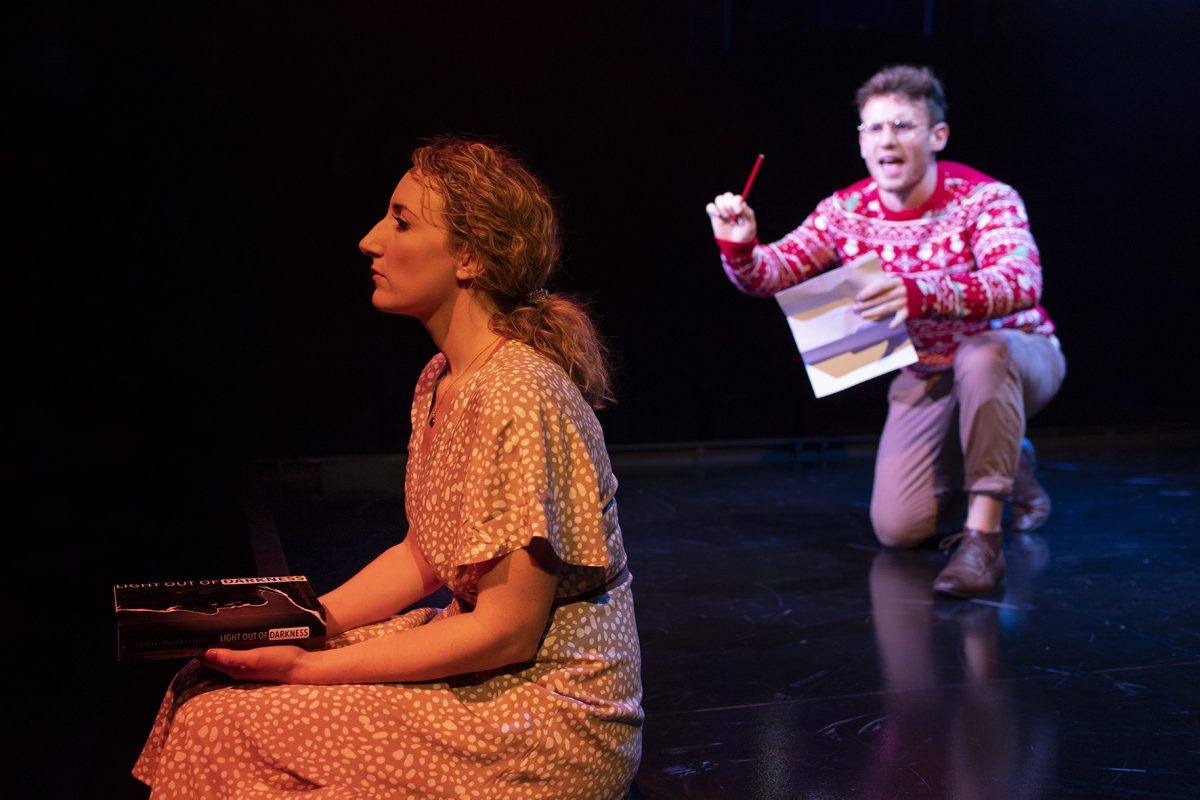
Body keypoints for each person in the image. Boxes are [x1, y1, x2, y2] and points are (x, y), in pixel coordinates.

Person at [134, 138, 643, 799]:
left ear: (468, 256)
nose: (370, 241)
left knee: (221, 723)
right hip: (491, 678)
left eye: (401, 222)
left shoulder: (519, 390)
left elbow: (508, 631)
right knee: (204, 685)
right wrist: (300, 623)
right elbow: (421, 555)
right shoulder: (442, 379)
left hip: (548, 713)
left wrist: (301, 668)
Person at [705, 65, 1065, 597]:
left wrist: (918, 292)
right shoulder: (846, 211)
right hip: (927, 373)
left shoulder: (984, 198)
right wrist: (740, 246)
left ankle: (984, 540)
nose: (886, 140)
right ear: (860, 142)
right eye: (873, 129)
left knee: (981, 357)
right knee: (899, 529)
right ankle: (1013, 454)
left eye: (902, 125)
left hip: (1016, 353)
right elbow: (771, 275)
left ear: (937, 136)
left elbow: (1021, 282)